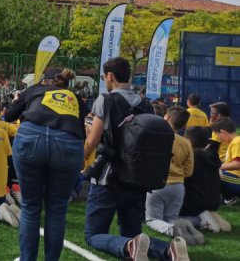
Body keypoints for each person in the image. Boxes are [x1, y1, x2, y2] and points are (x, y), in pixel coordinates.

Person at [83, 57, 188, 260]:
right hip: (138, 177)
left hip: (109, 175)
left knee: (93, 234)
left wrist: (82, 160)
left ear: (110, 76)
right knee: (134, 234)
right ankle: (168, 250)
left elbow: (93, 140)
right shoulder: (146, 105)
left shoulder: (106, 99)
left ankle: (129, 247)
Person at [5, 68, 87, 260]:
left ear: (44, 80)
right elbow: (81, 127)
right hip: (67, 143)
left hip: (30, 137)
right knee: (57, 208)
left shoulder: (35, 89)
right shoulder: (74, 97)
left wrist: (17, 99)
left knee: (31, 206)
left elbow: (9, 115)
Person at [145, 107, 196, 242]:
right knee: (171, 218)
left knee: (151, 219)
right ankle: (181, 229)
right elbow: (189, 171)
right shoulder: (186, 143)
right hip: (178, 186)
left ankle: (173, 230)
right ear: (184, 125)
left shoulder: (153, 137)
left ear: (166, 118)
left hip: (156, 184)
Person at [180, 126, 230, 236]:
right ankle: (208, 214)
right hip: (213, 201)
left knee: (169, 217)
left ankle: (201, 219)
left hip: (194, 203)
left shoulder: (190, 156)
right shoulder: (212, 156)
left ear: (187, 140)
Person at [213, 117, 240, 204]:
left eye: (217, 135)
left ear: (223, 132)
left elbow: (237, 164)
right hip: (234, 177)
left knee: (212, 173)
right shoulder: (234, 142)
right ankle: (229, 197)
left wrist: (218, 166)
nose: (219, 138)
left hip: (237, 178)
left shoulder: (237, 142)